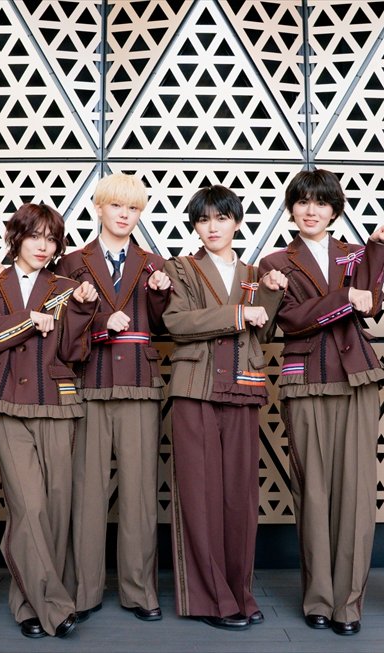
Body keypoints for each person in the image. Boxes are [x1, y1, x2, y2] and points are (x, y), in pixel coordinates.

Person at [258, 169, 384, 635]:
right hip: (304, 379)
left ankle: (349, 604)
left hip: (356, 377)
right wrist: (343, 297)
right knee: (312, 490)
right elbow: (290, 320)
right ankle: (318, 598)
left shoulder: (357, 253)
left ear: (335, 210)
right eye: (302, 202)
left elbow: (371, 304)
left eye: (320, 202)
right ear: (291, 209)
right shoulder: (275, 262)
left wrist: (377, 252)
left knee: (356, 493)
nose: (310, 211)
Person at [0, 202, 98, 639]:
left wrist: (82, 312)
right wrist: (26, 321)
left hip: (56, 401)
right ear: (15, 237)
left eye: (52, 239)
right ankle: (55, 607)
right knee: (29, 506)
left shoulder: (68, 288)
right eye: (35, 236)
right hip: (5, 401)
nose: (43, 246)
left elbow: (73, 353)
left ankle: (28, 605)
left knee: (56, 506)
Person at [162, 185, 287, 630]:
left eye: (221, 218)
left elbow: (263, 333)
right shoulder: (180, 268)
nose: (212, 227)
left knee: (240, 497)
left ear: (236, 222)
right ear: (195, 226)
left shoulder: (255, 273)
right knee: (199, 496)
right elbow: (176, 323)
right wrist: (237, 314)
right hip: (194, 388)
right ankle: (210, 598)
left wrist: (269, 296)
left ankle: (239, 592)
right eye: (203, 220)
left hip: (243, 387)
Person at [54, 173, 172, 623]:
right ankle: (83, 592)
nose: (124, 215)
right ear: (99, 208)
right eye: (117, 206)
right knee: (86, 490)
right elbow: (60, 329)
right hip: (90, 381)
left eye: (133, 208)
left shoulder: (153, 264)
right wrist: (102, 323)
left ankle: (139, 591)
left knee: (140, 492)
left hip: (140, 383)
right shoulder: (70, 263)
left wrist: (159, 298)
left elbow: (163, 326)